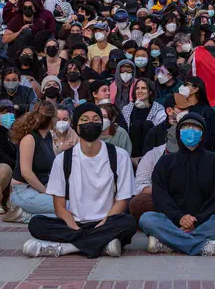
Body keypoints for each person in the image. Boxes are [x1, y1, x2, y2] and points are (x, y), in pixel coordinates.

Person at [24, 103, 137, 259]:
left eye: (95, 119)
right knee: (36, 223)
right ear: (76, 127)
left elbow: (122, 200)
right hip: (74, 223)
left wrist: (104, 222)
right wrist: (74, 226)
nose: (90, 123)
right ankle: (102, 243)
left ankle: (66, 248)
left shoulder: (120, 156)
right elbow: (59, 207)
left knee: (128, 223)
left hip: (108, 221)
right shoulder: (63, 159)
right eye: (84, 119)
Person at [138, 112, 215, 256]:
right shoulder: (166, 161)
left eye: (195, 128)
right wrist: (179, 218)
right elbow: (160, 197)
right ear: (178, 133)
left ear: (203, 134)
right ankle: (203, 246)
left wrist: (196, 221)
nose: (190, 131)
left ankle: (170, 243)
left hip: (205, 222)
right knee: (147, 219)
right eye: (186, 127)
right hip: (172, 221)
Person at [3, 101, 57, 223]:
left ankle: (29, 214)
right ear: (51, 118)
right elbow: (26, 172)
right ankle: (23, 215)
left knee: (71, 207)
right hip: (23, 191)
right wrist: (46, 191)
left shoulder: (48, 136)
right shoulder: (29, 138)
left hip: (40, 188)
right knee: (66, 209)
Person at [121, 77, 167, 158]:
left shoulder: (159, 109)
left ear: (150, 91)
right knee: (135, 125)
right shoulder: (126, 109)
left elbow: (160, 130)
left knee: (147, 124)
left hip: (152, 149)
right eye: (137, 88)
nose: (139, 91)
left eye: (143, 88)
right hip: (132, 151)